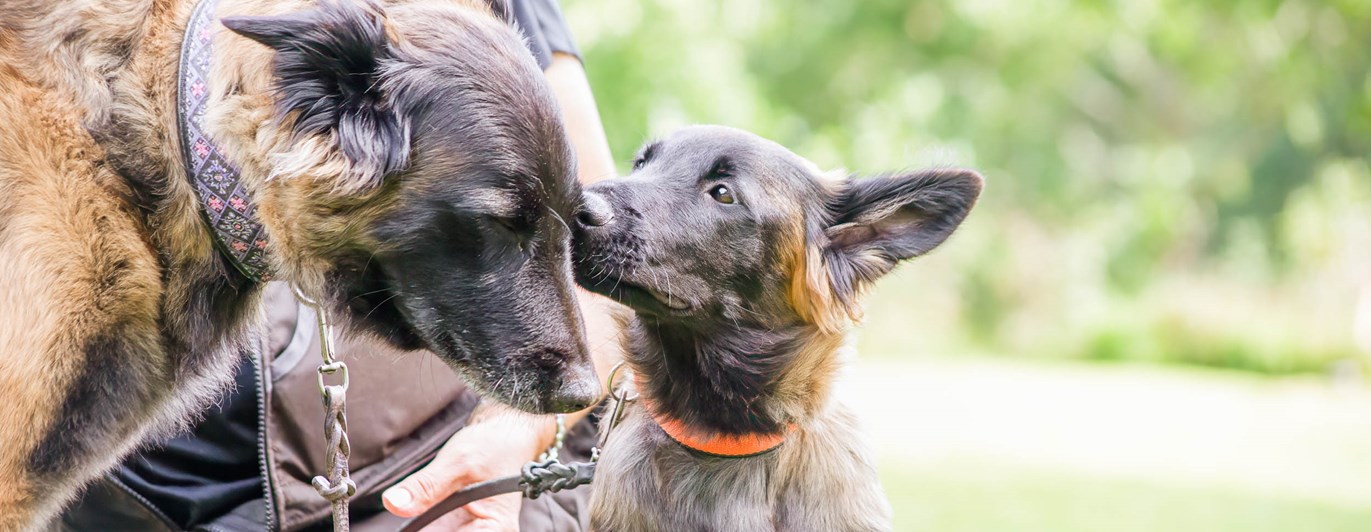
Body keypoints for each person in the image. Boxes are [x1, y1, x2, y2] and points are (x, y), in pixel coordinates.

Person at [57, 0, 621, 530]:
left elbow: (606, 262)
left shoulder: (474, 30)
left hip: (433, 481)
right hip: (115, 496)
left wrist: (517, 434)